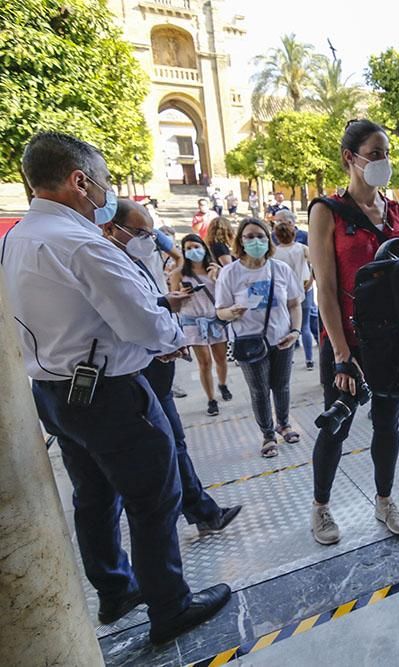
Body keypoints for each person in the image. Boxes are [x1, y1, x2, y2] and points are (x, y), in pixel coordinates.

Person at [1, 132, 230, 643]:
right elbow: (143, 325)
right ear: (79, 182)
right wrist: (170, 337)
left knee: (95, 496)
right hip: (109, 394)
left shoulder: (17, 238)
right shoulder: (80, 242)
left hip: (55, 393)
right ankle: (170, 607)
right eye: (102, 182)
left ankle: (114, 591)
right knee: (155, 498)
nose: (106, 194)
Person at [103, 200, 242, 531]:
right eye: (140, 232)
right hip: (139, 368)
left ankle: (202, 511)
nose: (149, 240)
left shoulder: (136, 257)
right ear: (110, 229)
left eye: (151, 233)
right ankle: (197, 514)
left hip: (153, 363)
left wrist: (150, 233)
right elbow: (133, 315)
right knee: (167, 447)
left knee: (174, 442)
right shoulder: (103, 261)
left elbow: (172, 258)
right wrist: (170, 338)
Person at [308, 119, 399, 545]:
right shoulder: (326, 212)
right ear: (350, 158)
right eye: (375, 153)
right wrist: (340, 354)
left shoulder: (397, 211)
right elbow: (326, 290)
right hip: (346, 342)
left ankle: (384, 499)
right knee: (338, 424)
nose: (383, 161)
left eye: (387, 153)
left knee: (387, 423)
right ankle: (320, 507)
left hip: (389, 342)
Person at [216, 218, 304, 458]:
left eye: (261, 236)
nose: (256, 241)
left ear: (269, 239)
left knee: (282, 386)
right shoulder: (230, 273)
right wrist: (231, 312)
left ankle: (284, 424)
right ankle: (267, 434)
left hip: (281, 338)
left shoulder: (280, 269)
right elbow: (220, 311)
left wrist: (295, 331)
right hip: (249, 342)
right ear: (240, 241)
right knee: (259, 390)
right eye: (250, 236)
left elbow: (295, 304)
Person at [170, 233, 234, 415]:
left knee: (221, 358)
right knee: (204, 362)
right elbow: (172, 302)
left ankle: (222, 384)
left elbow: (227, 295)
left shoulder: (215, 269)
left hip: (215, 319)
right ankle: (211, 399)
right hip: (193, 322)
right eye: (188, 248)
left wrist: (218, 278)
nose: (193, 251)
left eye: (196, 247)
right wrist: (181, 293)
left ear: (204, 248)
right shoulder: (178, 274)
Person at [272, 211, 315, 370]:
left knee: (287, 326)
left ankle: (287, 358)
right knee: (305, 327)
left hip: (283, 292)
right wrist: (310, 280)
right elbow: (315, 264)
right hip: (304, 289)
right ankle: (309, 359)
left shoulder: (274, 253)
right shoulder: (302, 248)